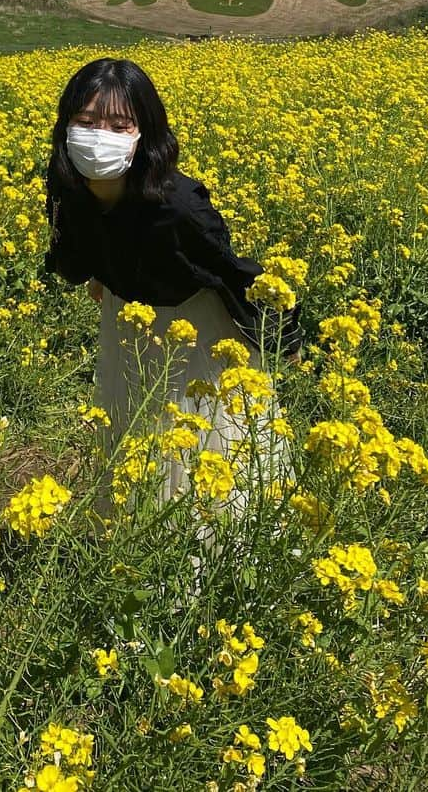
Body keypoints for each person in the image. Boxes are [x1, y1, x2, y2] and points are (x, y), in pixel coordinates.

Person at [42, 57, 302, 529]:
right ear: (66, 125)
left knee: (199, 443)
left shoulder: (179, 207)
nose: (99, 135)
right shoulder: (66, 186)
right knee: (132, 429)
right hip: (128, 325)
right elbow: (75, 247)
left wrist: (284, 340)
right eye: (86, 122)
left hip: (197, 331)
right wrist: (105, 278)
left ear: (145, 133)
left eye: (120, 124)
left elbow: (234, 274)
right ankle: (133, 542)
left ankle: (210, 557)